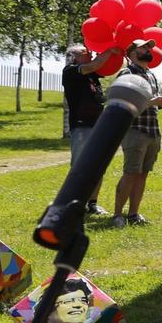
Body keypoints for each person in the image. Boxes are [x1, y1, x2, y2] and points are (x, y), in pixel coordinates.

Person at [111, 41, 162, 228]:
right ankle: (117, 215)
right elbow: (122, 102)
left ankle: (133, 214)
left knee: (143, 174)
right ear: (132, 53)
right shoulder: (127, 74)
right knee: (131, 173)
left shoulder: (151, 75)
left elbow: (153, 105)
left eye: (149, 48)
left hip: (152, 130)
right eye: (144, 48)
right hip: (134, 130)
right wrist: (152, 101)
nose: (148, 50)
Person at [62, 43, 120, 215]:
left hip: (99, 126)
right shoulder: (71, 71)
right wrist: (109, 50)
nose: (90, 53)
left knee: (98, 166)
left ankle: (92, 204)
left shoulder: (93, 76)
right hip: (82, 126)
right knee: (80, 168)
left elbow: (102, 68)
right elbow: (95, 65)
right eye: (85, 52)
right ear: (75, 57)